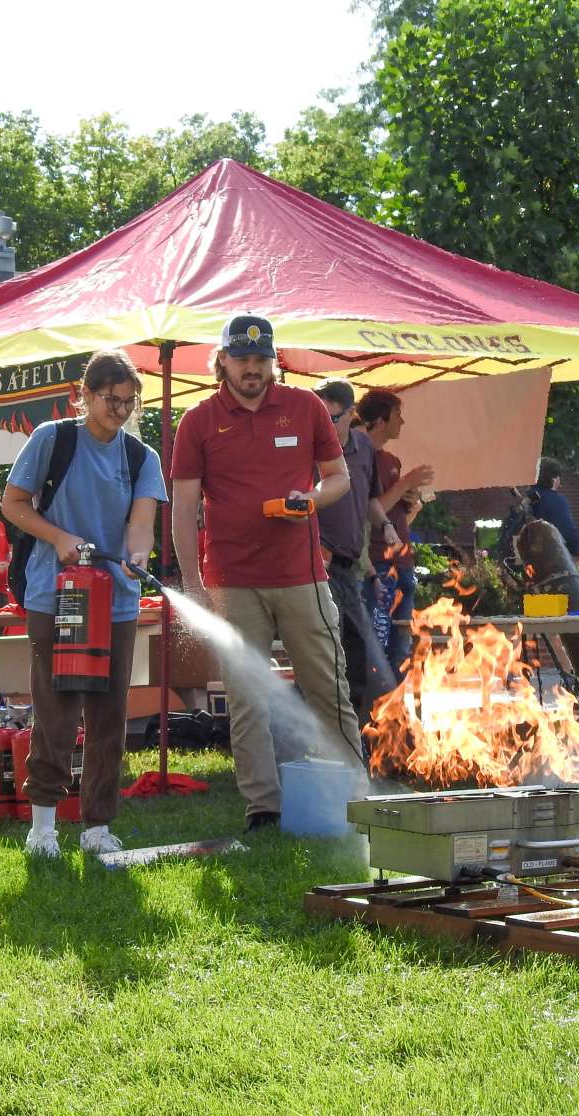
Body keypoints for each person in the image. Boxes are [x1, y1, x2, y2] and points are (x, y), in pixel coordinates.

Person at [169, 315, 361, 831]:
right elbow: (183, 508)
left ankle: (356, 797)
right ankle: (263, 808)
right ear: (222, 361)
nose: (252, 369)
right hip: (231, 579)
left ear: (273, 361)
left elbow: (338, 478)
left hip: (303, 575)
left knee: (328, 688)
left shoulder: (305, 406)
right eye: (242, 359)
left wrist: (312, 499)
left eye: (261, 359)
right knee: (247, 698)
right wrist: (191, 584)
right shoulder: (199, 420)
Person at [3, 350, 166, 857]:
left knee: (109, 713)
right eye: (110, 400)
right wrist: (58, 537)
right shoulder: (52, 440)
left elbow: (141, 526)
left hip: (115, 600)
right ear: (87, 395)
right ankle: (43, 828)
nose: (120, 410)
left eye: (128, 402)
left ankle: (97, 825)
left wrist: (134, 559)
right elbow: (13, 503)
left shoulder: (142, 457)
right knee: (55, 707)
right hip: (54, 596)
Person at [313, 379, 395, 722]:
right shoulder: (308, 449)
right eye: (321, 417)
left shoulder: (363, 446)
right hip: (319, 566)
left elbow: (370, 499)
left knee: (358, 652)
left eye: (333, 418)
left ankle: (358, 733)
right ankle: (320, 735)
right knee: (324, 652)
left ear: (351, 415)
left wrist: (386, 525)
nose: (325, 425)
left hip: (349, 569)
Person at [357, 388, 434, 675]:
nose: (402, 422)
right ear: (380, 420)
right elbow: (368, 509)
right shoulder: (360, 459)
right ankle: (375, 711)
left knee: (401, 647)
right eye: (397, 415)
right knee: (378, 644)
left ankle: (396, 715)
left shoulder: (392, 461)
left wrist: (411, 503)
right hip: (377, 565)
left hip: (402, 562)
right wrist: (404, 485)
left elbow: (393, 515)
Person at [526, 457, 579, 557]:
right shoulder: (556, 501)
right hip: (549, 563)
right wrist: (576, 549)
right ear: (554, 479)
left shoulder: (526, 498)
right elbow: (567, 532)